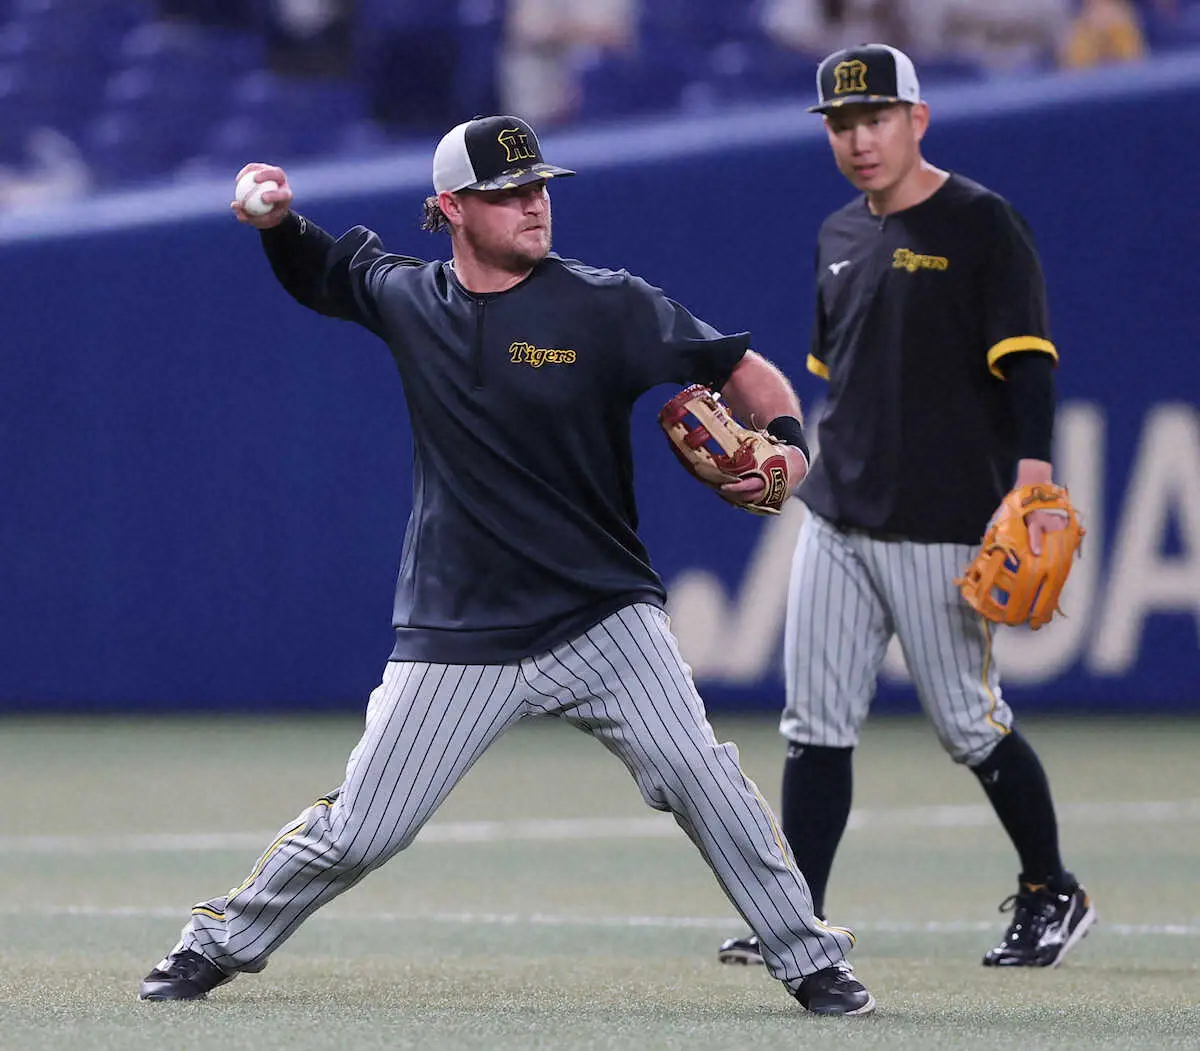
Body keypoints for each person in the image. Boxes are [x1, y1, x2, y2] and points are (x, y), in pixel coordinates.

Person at [136, 113, 875, 1017]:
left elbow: (744, 370)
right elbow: (318, 271)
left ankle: (810, 959)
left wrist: (789, 443)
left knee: (703, 779)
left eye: (539, 188)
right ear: (451, 207)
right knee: (364, 829)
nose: (534, 205)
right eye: (507, 193)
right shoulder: (409, 297)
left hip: (603, 615)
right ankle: (213, 942)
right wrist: (278, 223)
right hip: (462, 627)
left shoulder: (608, 304)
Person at [717, 44, 1096, 970]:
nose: (859, 139)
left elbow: (1029, 365)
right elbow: (837, 378)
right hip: (838, 514)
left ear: (917, 119)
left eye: (876, 118)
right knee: (814, 723)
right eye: (842, 124)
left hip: (942, 517)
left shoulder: (981, 223)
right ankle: (797, 916)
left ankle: (1053, 888)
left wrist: (1035, 487)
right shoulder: (838, 233)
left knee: (968, 721)